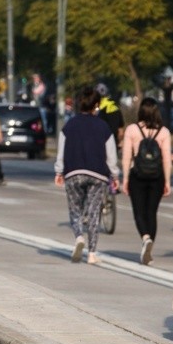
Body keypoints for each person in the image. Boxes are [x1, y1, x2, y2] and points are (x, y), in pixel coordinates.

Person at [54, 86, 119, 265]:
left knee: (75, 209)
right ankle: (92, 253)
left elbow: (61, 150)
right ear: (96, 105)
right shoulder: (103, 126)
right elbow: (111, 154)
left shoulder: (69, 125)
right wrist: (115, 174)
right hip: (98, 174)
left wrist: (59, 171)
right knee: (93, 212)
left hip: (73, 172)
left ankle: (78, 237)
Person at [121, 97, 172, 265]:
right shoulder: (164, 132)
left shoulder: (132, 130)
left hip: (138, 176)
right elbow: (166, 159)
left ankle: (145, 238)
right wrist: (168, 182)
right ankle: (149, 246)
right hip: (157, 177)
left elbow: (127, 156)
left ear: (141, 111)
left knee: (139, 212)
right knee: (151, 213)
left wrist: (125, 178)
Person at [96, 83, 125, 151]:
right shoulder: (115, 107)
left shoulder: (98, 108)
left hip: (100, 143)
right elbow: (121, 131)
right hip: (113, 143)